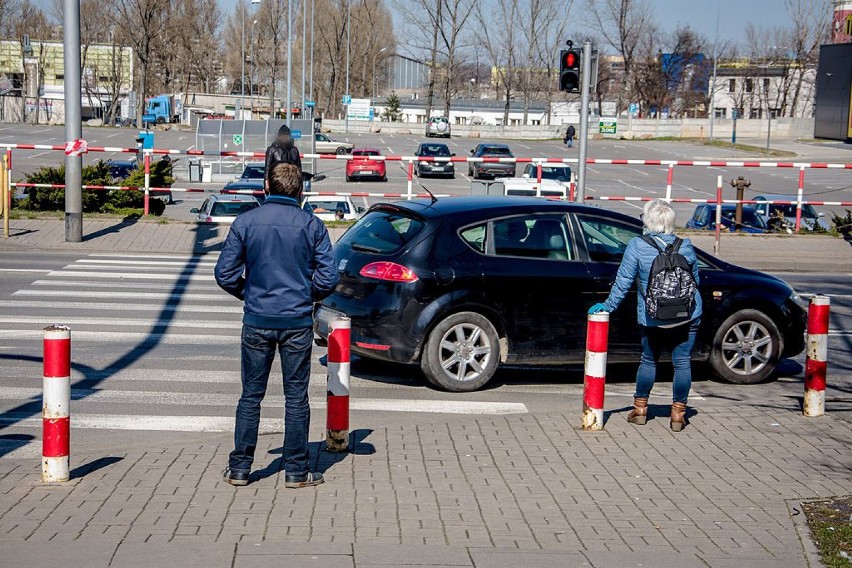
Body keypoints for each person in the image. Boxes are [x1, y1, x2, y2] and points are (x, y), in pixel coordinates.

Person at [215, 162, 338, 487]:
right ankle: (297, 471)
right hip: (296, 322)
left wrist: (250, 293)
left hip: (257, 320)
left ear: (266, 188)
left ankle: (240, 468)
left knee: (251, 395)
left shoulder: (245, 222)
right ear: (300, 192)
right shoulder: (312, 226)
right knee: (296, 397)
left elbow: (224, 274)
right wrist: (305, 295)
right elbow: (329, 277)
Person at [588, 199, 702, 432]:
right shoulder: (686, 245)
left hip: (654, 316)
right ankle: (678, 414)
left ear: (648, 221)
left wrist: (607, 306)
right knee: (682, 363)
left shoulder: (637, 245)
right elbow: (696, 281)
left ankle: (640, 409)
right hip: (687, 314)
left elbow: (623, 282)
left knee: (649, 360)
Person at [264, 125, 302, 189]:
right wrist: (266, 181)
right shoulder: (272, 149)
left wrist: (300, 184)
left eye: (287, 136)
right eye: (283, 135)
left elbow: (299, 167)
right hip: (276, 182)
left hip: (292, 183)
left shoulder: (294, 150)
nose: (285, 137)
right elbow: (267, 167)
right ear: (279, 136)